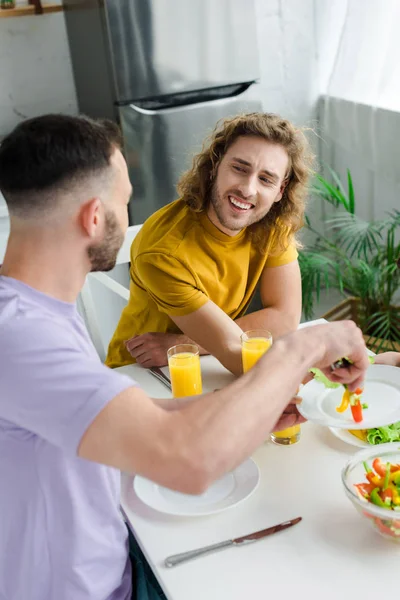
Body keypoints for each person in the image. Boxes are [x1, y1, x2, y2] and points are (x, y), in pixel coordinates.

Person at [0, 114, 369, 600]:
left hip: (115, 556)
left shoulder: (38, 309)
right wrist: (308, 344)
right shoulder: (21, 337)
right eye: (124, 200)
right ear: (95, 216)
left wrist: (242, 414)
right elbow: (188, 462)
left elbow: (122, 420)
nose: (131, 214)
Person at [106, 113, 314, 374]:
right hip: (144, 373)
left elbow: (283, 318)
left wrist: (184, 343)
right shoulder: (164, 252)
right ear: (215, 165)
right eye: (240, 168)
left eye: (266, 179)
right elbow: (235, 352)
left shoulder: (272, 222)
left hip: (201, 359)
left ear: (280, 191)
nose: (248, 190)